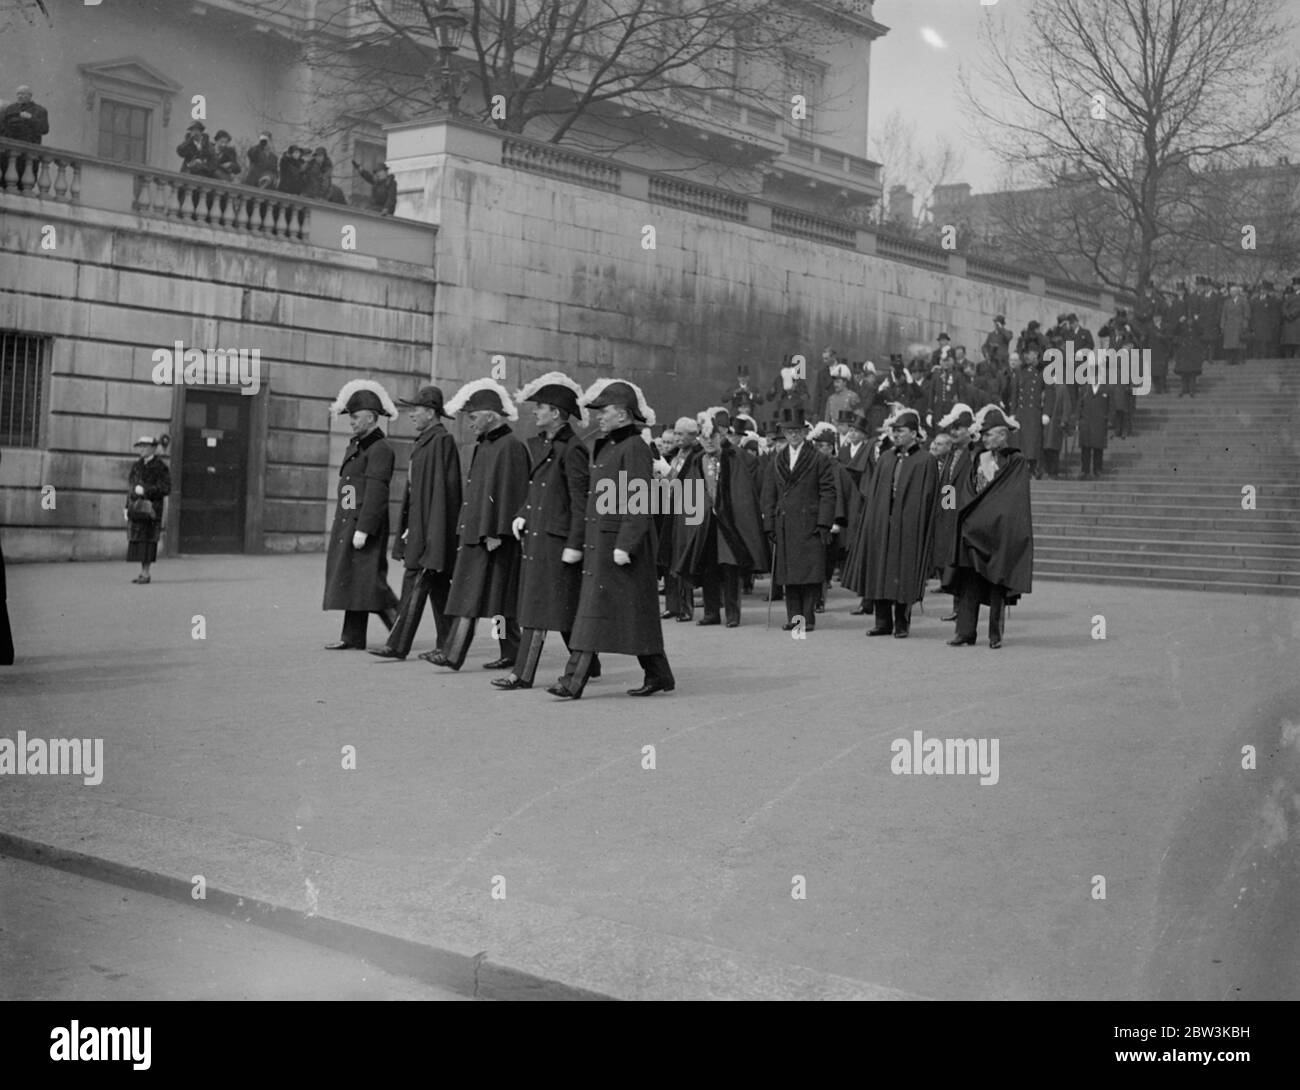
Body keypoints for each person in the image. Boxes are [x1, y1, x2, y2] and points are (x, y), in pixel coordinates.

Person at [550, 379, 675, 699]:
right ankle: (658, 674)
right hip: (601, 544)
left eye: (604, 411)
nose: (599, 417)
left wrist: (626, 544)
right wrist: (580, 543)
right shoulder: (607, 444)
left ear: (622, 415)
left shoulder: (634, 447)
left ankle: (571, 682)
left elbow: (639, 500)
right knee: (633, 617)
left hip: (619, 547)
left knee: (596, 615)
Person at [493, 373, 599, 690]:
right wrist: (523, 514)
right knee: (560, 609)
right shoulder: (551, 445)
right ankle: (589, 665)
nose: (535, 412)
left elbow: (581, 502)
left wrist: (575, 543)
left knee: (542, 609)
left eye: (540, 407)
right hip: (541, 538)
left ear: (555, 412)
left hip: (557, 542)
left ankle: (522, 674)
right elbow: (539, 490)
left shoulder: (572, 449)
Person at [425, 378, 531, 672]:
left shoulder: (510, 446)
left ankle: (453, 653)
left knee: (474, 600)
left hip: (491, 535)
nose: (469, 424)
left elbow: (513, 492)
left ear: (490, 415)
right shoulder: (486, 446)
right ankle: (510, 652)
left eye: (472, 417)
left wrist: (495, 532)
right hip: (478, 533)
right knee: (494, 602)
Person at [369, 385, 461, 661]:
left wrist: (433, 535)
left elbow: (444, 495)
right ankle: (447, 645)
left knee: (415, 583)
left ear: (431, 412)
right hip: (424, 529)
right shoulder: (427, 441)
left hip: (430, 531)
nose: (411, 415)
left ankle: (398, 645)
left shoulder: (440, 442)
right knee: (440, 588)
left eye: (416, 409)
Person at [942, 406, 1033, 650]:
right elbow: (960, 489)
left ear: (1003, 435)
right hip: (972, 527)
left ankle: (995, 634)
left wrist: (986, 516)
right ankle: (965, 632)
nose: (984, 439)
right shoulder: (969, 458)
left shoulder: (1015, 461)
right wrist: (954, 513)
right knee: (968, 581)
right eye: (982, 435)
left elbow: (1010, 498)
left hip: (998, 530)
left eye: (989, 434)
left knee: (996, 584)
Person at [842, 407, 938, 639]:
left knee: (903, 573)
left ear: (914, 433)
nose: (896, 435)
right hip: (883, 524)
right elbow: (875, 494)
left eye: (901, 431)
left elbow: (931, 496)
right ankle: (882, 622)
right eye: (894, 431)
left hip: (908, 526)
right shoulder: (886, 458)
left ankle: (902, 623)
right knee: (880, 571)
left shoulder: (925, 461)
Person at [322, 381, 400, 648]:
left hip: (364, 525)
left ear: (370, 416)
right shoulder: (360, 445)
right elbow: (351, 488)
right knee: (353, 579)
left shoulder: (380, 449)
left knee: (371, 583)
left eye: (355, 417)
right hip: (350, 522)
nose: (352, 422)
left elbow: (377, 493)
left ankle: (402, 632)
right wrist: (347, 518)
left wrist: (363, 528)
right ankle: (352, 637)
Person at [675, 408, 768, 628]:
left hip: (728, 525)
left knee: (730, 567)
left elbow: (742, 492)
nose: (708, 442)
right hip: (705, 525)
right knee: (708, 568)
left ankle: (733, 614)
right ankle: (711, 613)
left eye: (713, 437)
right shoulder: (697, 460)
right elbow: (690, 492)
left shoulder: (733, 459)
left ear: (721, 437)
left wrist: (728, 509)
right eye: (704, 438)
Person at [761, 404, 837, 633]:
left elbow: (828, 492)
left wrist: (824, 522)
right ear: (783, 433)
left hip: (809, 523)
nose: (793, 435)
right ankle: (795, 618)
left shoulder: (818, 459)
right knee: (789, 575)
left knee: (809, 574)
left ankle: (808, 618)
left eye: (797, 431)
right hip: (784, 523)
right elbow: (769, 494)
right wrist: (769, 524)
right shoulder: (777, 459)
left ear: (805, 433)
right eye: (788, 431)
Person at [659, 415, 699, 621]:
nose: (676, 437)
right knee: (669, 558)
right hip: (670, 510)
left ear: (692, 436)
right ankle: (672, 605)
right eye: (675, 433)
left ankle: (685, 606)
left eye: (680, 434)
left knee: (682, 559)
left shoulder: (697, 455)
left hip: (686, 512)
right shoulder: (676, 454)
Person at [124, 436, 171, 584]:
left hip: (152, 510)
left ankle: (146, 573)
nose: (141, 449)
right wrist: (127, 506)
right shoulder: (137, 465)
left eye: (144, 446)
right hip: (137, 507)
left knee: (148, 541)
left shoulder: (160, 466)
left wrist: (145, 490)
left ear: (153, 448)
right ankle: (142, 572)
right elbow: (130, 486)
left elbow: (165, 488)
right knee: (138, 540)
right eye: (140, 446)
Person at [1006, 343, 1046, 478]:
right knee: (1021, 441)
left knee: (1033, 441)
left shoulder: (1042, 372)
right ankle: (1023, 468)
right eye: (1026, 354)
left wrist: (1046, 412)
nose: (1027, 356)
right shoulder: (1019, 372)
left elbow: (1048, 393)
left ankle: (1033, 467)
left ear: (1036, 355)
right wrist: (1012, 413)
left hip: (1034, 412)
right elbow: (1015, 394)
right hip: (1021, 412)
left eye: (1030, 353)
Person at [1074, 363, 1111, 480]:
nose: (1094, 378)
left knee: (1098, 448)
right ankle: (1084, 470)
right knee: (1085, 448)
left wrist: (1108, 419)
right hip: (1086, 423)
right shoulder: (1084, 389)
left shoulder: (1106, 389)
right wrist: (1077, 420)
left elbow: (1111, 406)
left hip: (1100, 422)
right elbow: (1079, 406)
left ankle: (1097, 469)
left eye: (1097, 375)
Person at [1220, 282, 1251, 367]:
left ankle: (1239, 359)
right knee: (1229, 344)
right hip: (1229, 325)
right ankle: (1229, 360)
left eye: (1233, 291)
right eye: (1230, 291)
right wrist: (1222, 325)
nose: (1231, 293)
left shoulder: (1243, 301)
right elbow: (1224, 314)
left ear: (1237, 292)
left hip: (1239, 325)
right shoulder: (1227, 302)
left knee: (1239, 343)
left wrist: (1245, 325)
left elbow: (1247, 314)